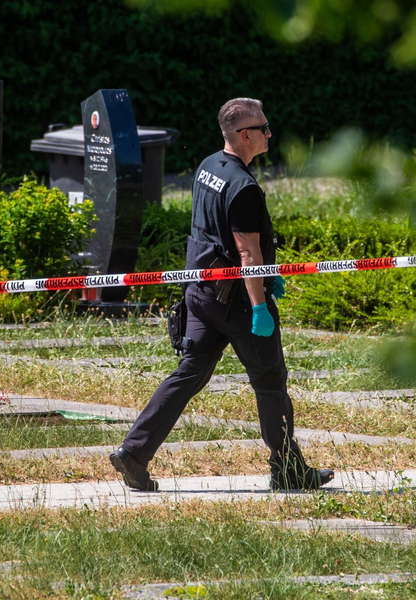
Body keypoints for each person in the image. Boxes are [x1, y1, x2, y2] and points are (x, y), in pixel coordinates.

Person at [110, 98, 334, 492]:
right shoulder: (243, 186)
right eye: (264, 128)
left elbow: (211, 233)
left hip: (202, 295)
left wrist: (269, 274)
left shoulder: (209, 166)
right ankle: (288, 470)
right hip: (238, 303)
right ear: (245, 134)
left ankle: (134, 452)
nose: (269, 133)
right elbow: (247, 252)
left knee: (189, 373)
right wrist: (261, 304)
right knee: (270, 380)